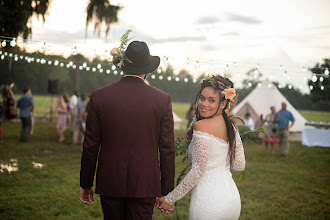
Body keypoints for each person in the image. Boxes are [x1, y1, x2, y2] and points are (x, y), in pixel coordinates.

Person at [79, 41, 175, 220]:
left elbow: (90, 145)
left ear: (122, 66)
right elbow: (167, 149)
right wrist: (167, 192)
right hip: (145, 183)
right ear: (147, 69)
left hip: (110, 181)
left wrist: (85, 183)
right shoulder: (162, 100)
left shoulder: (99, 97)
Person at [157, 75, 246, 219]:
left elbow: (197, 171)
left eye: (212, 100)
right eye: (202, 98)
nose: (204, 104)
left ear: (223, 104)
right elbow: (239, 165)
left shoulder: (201, 126)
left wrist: (170, 199)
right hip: (232, 200)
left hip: (209, 201)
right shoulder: (232, 128)